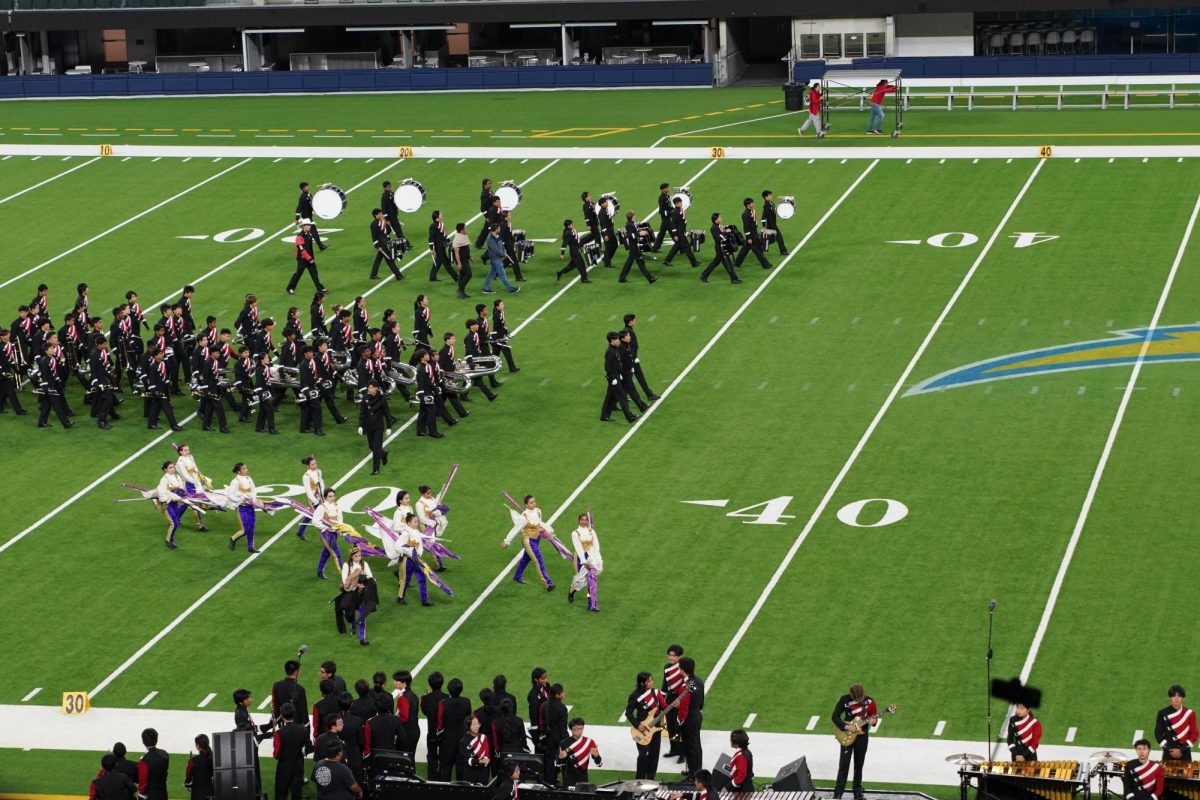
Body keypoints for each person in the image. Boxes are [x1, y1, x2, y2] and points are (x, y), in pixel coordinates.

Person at [832, 683, 878, 799]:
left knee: (859, 765)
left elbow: (874, 718)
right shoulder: (844, 699)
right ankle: (838, 793)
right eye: (856, 698)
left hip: (862, 738)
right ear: (851, 694)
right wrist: (846, 727)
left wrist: (874, 722)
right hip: (847, 735)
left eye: (860, 698)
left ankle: (857, 792)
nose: (858, 700)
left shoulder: (870, 702)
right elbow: (835, 716)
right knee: (844, 765)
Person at [502, 496, 556, 590]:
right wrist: (507, 541)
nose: (534, 504)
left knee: (526, 558)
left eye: (534, 501)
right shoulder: (523, 517)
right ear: (526, 505)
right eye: (531, 502)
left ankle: (517, 576)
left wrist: (549, 531)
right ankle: (548, 584)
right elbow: (516, 528)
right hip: (528, 541)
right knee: (539, 561)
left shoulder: (538, 511)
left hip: (537, 539)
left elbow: (539, 523)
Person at [626, 672, 667, 779]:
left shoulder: (656, 693)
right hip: (641, 729)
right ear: (642, 683)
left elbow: (664, 707)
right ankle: (639, 779)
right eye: (649, 681)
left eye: (651, 680)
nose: (651, 682)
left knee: (654, 755)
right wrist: (638, 725)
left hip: (656, 727)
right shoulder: (634, 696)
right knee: (643, 755)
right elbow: (628, 713)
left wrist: (675, 705)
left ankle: (651, 780)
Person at [337, 545, 375, 645]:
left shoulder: (364, 564)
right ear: (351, 557)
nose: (358, 558)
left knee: (362, 614)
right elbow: (345, 580)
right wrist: (356, 584)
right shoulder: (346, 565)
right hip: (351, 592)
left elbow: (370, 576)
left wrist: (365, 584)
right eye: (356, 556)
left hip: (362, 593)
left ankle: (362, 638)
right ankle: (353, 625)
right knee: (349, 613)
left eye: (359, 556)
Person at [438, 678, 474, 779]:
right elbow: (468, 719)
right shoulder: (466, 701)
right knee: (461, 766)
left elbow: (440, 722)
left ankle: (445, 790)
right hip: (462, 737)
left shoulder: (443, 703)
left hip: (447, 738)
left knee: (446, 766)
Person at [273, 703, 310, 800]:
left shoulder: (279, 733)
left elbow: (276, 754)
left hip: (284, 767)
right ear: (294, 713)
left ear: (282, 715)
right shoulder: (303, 730)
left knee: (281, 794)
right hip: (298, 766)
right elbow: (309, 748)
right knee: (297, 794)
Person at [676, 657, 704, 780]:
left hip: (689, 718)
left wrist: (680, 721)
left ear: (682, 669)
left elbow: (684, 706)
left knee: (690, 747)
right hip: (697, 714)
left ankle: (693, 775)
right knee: (696, 745)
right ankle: (697, 772)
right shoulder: (698, 680)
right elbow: (701, 699)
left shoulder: (687, 685)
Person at [397, 514, 433, 606]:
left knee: (422, 578)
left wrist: (418, 554)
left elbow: (420, 545)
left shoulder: (416, 532)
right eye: (415, 522)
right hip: (407, 560)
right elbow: (397, 546)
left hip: (416, 559)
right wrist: (410, 552)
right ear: (409, 523)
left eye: (417, 521)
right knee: (405, 580)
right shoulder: (405, 533)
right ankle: (400, 597)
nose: (417, 523)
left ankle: (424, 600)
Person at [600, 331, 637, 423]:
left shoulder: (615, 349)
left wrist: (619, 373)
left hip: (617, 375)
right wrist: (613, 378)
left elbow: (617, 363)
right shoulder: (610, 352)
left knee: (609, 397)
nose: (618, 340)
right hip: (614, 378)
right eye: (616, 339)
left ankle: (604, 416)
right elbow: (607, 366)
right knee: (622, 397)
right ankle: (630, 417)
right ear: (612, 340)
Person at [568, 514, 602, 612]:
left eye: (585, 520)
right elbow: (578, 548)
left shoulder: (591, 531)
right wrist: (584, 561)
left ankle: (591, 604)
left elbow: (596, 545)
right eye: (582, 520)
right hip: (580, 558)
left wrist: (597, 557)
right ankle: (571, 591)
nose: (584, 522)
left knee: (590, 582)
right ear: (579, 521)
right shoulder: (575, 533)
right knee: (579, 580)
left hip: (592, 557)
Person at [34, 341, 72, 429]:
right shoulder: (44, 361)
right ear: (46, 351)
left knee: (46, 405)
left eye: (53, 348)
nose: (53, 349)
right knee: (57, 405)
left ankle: (42, 422)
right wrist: (46, 388)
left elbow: (54, 371)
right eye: (51, 348)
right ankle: (66, 423)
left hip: (54, 384)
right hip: (50, 386)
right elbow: (44, 375)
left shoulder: (53, 358)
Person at [621, 315, 659, 401]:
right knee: (640, 377)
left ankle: (622, 396)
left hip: (630, 360)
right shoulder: (628, 332)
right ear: (630, 322)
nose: (635, 321)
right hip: (631, 360)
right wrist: (634, 358)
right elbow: (630, 347)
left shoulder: (627, 331)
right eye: (634, 320)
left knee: (627, 379)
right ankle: (649, 395)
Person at [226, 462, 261, 553]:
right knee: (245, 529)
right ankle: (233, 538)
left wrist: (251, 499)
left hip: (250, 506)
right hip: (241, 508)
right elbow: (230, 495)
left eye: (246, 468)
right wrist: (241, 500)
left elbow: (254, 490)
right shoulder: (235, 481)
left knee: (252, 527)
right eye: (244, 469)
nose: (246, 470)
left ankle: (250, 547)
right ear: (238, 471)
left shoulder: (249, 479)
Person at [1156, 684, 1197, 761]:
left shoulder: (1190, 713)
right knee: (1167, 773)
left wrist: (1181, 750)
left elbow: (1194, 734)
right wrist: (1169, 749)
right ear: (1169, 698)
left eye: (1179, 696)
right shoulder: (1162, 713)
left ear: (1183, 698)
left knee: (1186, 773)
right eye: (1173, 696)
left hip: (1185, 753)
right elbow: (1158, 734)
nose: (1176, 699)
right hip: (1168, 753)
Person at [557, 718, 601, 788]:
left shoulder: (589, 742)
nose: (578, 731)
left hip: (583, 778)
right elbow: (558, 766)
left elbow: (599, 764)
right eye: (575, 729)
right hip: (568, 779)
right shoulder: (564, 743)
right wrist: (560, 758)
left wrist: (596, 756)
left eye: (581, 729)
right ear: (571, 729)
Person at [420, 673, 448, 779]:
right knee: (443, 754)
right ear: (442, 683)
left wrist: (425, 697)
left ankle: (431, 778)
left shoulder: (425, 698)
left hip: (431, 731)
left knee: (431, 755)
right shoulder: (447, 697)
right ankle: (442, 776)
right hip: (444, 732)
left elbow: (425, 711)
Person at [287, 220, 326, 296]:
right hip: (302, 259)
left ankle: (319, 288)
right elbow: (302, 250)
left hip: (310, 258)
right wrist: (310, 259)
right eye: (308, 225)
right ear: (304, 226)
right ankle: (290, 288)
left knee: (314, 273)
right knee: (298, 274)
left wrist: (311, 258)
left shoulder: (308, 234)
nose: (309, 226)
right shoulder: (299, 237)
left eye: (310, 225)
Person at [155, 461, 187, 550]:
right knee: (174, 523)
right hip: (167, 504)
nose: (173, 469)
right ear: (165, 470)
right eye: (170, 467)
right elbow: (162, 495)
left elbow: (181, 489)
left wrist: (182, 496)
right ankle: (169, 541)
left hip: (175, 503)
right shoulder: (164, 480)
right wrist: (173, 498)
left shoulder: (177, 477)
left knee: (176, 521)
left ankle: (170, 538)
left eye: (173, 467)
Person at [701, 213, 740, 285]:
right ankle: (734, 279)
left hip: (723, 247)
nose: (721, 218)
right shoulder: (713, 228)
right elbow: (717, 238)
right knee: (728, 263)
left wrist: (727, 228)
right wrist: (725, 232)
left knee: (715, 262)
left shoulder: (719, 226)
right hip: (721, 248)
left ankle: (703, 275)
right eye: (719, 217)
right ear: (716, 220)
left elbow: (722, 232)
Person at [414, 348, 445, 438]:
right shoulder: (422, 369)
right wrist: (434, 390)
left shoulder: (424, 367)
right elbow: (425, 383)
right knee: (431, 412)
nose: (428, 356)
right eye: (427, 355)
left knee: (423, 411)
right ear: (422, 357)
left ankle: (420, 431)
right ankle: (433, 432)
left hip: (425, 393)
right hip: (426, 393)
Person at [619, 210, 656, 284]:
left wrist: (637, 227)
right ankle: (650, 278)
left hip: (634, 247)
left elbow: (633, 231)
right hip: (634, 248)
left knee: (629, 263)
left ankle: (622, 278)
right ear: (632, 217)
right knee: (640, 264)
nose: (635, 217)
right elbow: (630, 235)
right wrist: (640, 233)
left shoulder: (631, 224)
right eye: (634, 216)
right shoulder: (630, 225)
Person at [542, 684, 569, 785]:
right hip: (560, 737)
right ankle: (566, 782)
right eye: (562, 692)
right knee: (564, 760)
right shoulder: (562, 708)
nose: (564, 693)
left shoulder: (545, 705)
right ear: (558, 695)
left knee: (550, 761)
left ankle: (551, 783)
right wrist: (567, 740)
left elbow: (543, 723)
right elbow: (563, 727)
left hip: (549, 737)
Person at [315, 488, 345, 579]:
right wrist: (326, 527)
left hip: (334, 533)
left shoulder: (337, 506)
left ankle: (320, 571)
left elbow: (340, 519)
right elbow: (315, 520)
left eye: (333, 496)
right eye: (330, 496)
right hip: (325, 534)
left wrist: (337, 527)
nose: (332, 498)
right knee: (336, 552)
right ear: (325, 497)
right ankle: (344, 572)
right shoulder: (321, 507)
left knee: (326, 552)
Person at [735, 197, 772, 269]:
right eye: (752, 203)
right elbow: (746, 227)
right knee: (758, 250)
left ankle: (737, 262)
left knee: (745, 249)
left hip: (754, 233)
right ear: (748, 205)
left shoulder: (752, 211)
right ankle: (766, 265)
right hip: (752, 235)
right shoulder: (745, 215)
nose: (753, 203)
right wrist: (749, 238)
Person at [662, 196, 699, 268]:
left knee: (676, 247)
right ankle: (694, 263)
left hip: (681, 232)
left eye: (681, 202)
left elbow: (682, 222)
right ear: (676, 204)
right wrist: (675, 235)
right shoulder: (676, 212)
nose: (681, 203)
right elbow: (673, 224)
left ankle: (667, 260)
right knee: (687, 247)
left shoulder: (679, 210)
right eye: (679, 202)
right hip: (679, 233)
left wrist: (684, 219)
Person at [618, 330, 649, 414]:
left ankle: (608, 409)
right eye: (627, 336)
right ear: (623, 339)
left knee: (617, 392)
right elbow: (620, 361)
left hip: (627, 371)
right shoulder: (621, 348)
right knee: (631, 390)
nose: (629, 337)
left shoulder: (625, 345)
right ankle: (641, 406)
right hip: (624, 372)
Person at [369, 208, 404, 281]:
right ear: (376, 215)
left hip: (384, 243)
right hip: (381, 245)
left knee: (378, 259)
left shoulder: (382, 221)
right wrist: (378, 246)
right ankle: (398, 275)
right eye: (379, 214)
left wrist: (388, 239)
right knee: (389, 259)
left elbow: (384, 233)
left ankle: (373, 274)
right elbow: (374, 237)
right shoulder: (373, 225)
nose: (381, 214)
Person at [365, 693, 401, 762]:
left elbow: (367, 744)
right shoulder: (395, 719)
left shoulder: (370, 722)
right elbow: (402, 737)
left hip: (376, 756)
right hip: (391, 754)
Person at [363, 382, 389, 475]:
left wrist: (389, 426)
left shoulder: (382, 398)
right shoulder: (365, 398)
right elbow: (362, 413)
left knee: (376, 447)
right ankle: (383, 454)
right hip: (369, 426)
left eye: (371, 388)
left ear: (376, 388)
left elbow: (387, 412)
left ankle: (376, 469)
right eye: (368, 388)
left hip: (378, 426)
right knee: (371, 446)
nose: (369, 389)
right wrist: (360, 425)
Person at [0, 329, 27, 416]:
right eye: (7, 335)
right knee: (11, 392)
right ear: (2, 336)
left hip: (6, 370)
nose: (9, 336)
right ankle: (18, 410)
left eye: (9, 334)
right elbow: (4, 360)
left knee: (4, 391)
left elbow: (11, 358)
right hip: (2, 372)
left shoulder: (9, 345)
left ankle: (0, 408)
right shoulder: (0, 347)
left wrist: (16, 367)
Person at [137, 728, 169, 800]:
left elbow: (143, 782)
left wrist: (140, 796)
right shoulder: (164, 754)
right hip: (163, 793)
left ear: (143, 741)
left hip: (151, 795)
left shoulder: (143, 761)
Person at [428, 209, 459, 282]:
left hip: (442, 246)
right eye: (440, 214)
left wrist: (448, 241)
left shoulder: (441, 224)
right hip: (439, 248)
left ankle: (432, 277)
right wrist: (431, 249)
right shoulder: (433, 226)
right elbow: (430, 238)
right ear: (437, 218)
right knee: (446, 263)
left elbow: (443, 235)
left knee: (438, 262)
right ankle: (456, 277)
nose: (442, 215)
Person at [458, 715, 492, 784]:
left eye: (478, 724)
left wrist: (486, 759)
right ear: (468, 727)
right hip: (470, 773)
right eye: (474, 724)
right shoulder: (463, 741)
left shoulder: (483, 737)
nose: (477, 726)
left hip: (483, 772)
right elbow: (467, 760)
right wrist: (480, 761)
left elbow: (487, 753)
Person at [295, 182, 327, 250]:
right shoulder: (302, 197)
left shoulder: (309, 195)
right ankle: (321, 246)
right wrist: (296, 219)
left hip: (309, 217)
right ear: (303, 188)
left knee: (307, 233)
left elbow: (313, 203)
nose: (308, 187)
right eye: (306, 186)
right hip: (307, 218)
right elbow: (299, 208)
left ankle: (318, 246)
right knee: (314, 232)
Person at [491, 300, 519, 373]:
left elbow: (503, 325)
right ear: (497, 307)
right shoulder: (496, 316)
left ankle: (490, 366)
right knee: (506, 350)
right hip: (497, 337)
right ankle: (512, 368)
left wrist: (506, 333)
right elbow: (497, 328)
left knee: (495, 354)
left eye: (503, 304)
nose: (503, 305)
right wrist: (498, 339)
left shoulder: (501, 313)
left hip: (500, 337)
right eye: (501, 304)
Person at [761, 190, 790, 256]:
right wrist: (764, 227)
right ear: (766, 197)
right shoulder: (766, 205)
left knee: (771, 240)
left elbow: (775, 210)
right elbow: (763, 217)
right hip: (771, 225)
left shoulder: (770, 203)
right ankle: (783, 251)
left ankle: (760, 247)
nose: (771, 196)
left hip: (772, 224)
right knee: (779, 237)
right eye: (770, 195)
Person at [451, 222, 473, 299]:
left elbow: (466, 247)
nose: (466, 229)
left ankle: (461, 292)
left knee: (462, 276)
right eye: (465, 228)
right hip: (462, 260)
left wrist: (469, 257)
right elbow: (456, 253)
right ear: (461, 230)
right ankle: (460, 290)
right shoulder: (457, 240)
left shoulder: (464, 236)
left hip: (465, 259)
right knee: (469, 274)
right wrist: (459, 264)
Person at [474, 178, 495, 248]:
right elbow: (483, 207)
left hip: (492, 213)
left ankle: (478, 243)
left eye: (490, 183)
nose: (490, 184)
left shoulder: (490, 192)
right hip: (489, 214)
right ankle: (478, 244)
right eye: (489, 183)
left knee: (487, 229)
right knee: (487, 229)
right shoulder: (484, 194)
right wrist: (486, 217)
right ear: (484, 185)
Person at [652, 183, 673, 252]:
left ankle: (655, 248)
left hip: (667, 218)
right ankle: (681, 247)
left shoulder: (667, 196)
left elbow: (669, 206)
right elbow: (661, 211)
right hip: (666, 218)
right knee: (673, 233)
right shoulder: (662, 198)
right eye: (667, 188)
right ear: (663, 189)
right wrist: (670, 213)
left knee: (661, 233)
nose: (668, 189)